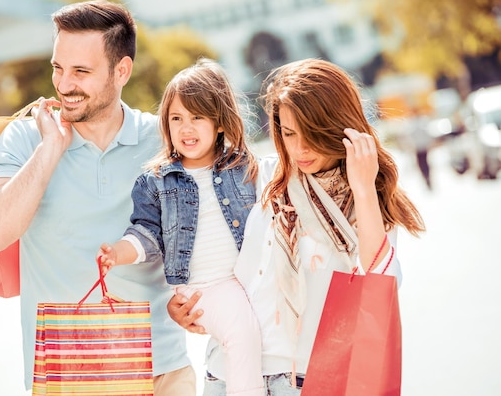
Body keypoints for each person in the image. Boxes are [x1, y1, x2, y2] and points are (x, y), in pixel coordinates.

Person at [0, 0, 194, 395]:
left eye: (81, 71)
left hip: (162, 370)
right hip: (67, 375)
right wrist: (50, 149)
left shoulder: (162, 140)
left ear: (121, 70)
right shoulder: (25, 139)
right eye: (58, 67)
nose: (64, 84)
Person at [169, 58, 426, 395]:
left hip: (303, 380)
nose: (300, 149)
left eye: (312, 135)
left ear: (338, 128)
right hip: (228, 371)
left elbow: (383, 282)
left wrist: (362, 188)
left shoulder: (364, 197)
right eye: (289, 133)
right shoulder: (262, 177)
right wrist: (184, 305)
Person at [97, 58, 263, 396]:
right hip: (204, 287)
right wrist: (118, 253)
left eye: (197, 117)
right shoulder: (157, 181)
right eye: (177, 119)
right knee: (241, 333)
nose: (186, 128)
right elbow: (145, 233)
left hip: (247, 280)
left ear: (219, 122)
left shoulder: (243, 166)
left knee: (254, 332)